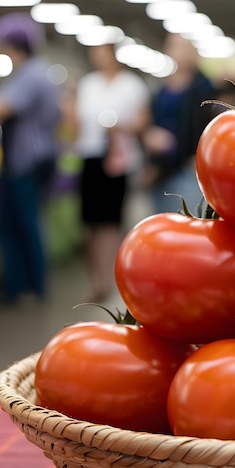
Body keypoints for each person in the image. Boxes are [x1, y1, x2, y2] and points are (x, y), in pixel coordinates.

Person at [0, 12, 61, 304]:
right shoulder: (28, 73)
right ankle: (18, 287)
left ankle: (32, 288)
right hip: (25, 160)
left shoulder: (31, 74)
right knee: (11, 224)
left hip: (27, 162)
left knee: (25, 223)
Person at [71, 42, 150, 303]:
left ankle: (105, 279)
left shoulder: (131, 85)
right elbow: (76, 122)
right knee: (90, 223)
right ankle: (97, 277)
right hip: (90, 157)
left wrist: (121, 127)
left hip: (118, 160)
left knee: (109, 223)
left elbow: (142, 121)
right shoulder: (88, 84)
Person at [142, 33, 217, 214]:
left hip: (187, 168)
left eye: (182, 46)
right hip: (160, 170)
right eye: (172, 45)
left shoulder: (204, 88)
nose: (177, 51)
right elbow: (150, 121)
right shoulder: (161, 90)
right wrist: (148, 135)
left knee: (186, 221)